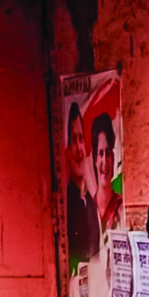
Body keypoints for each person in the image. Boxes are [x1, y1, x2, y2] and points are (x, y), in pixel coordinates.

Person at [64, 104, 99, 263]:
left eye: (81, 139)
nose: (79, 148)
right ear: (66, 151)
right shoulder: (65, 205)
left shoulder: (92, 204)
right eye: (73, 140)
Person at [91, 113, 120, 233]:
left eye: (108, 153)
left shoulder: (120, 208)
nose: (105, 162)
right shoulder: (89, 209)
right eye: (100, 153)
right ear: (95, 160)